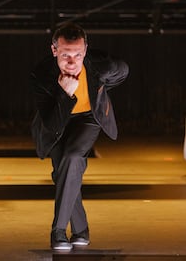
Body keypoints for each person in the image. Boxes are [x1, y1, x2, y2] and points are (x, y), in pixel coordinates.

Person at [30, 23, 129, 251]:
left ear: (85, 50)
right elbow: (53, 123)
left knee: (73, 157)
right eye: (66, 55)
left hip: (88, 119)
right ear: (54, 50)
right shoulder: (42, 75)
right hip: (56, 122)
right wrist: (65, 93)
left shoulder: (98, 65)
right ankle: (81, 230)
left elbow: (123, 70)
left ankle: (58, 231)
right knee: (64, 172)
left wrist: (103, 86)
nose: (72, 61)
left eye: (78, 54)